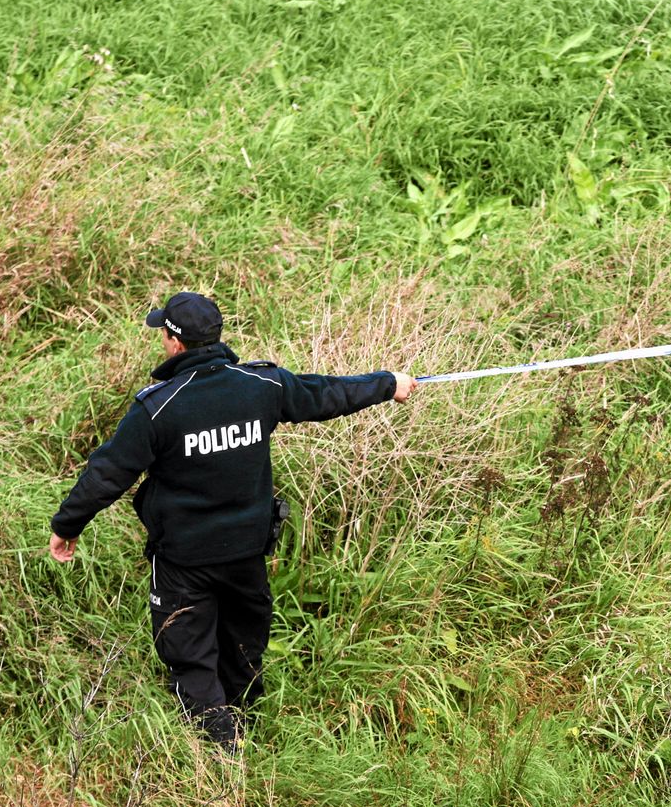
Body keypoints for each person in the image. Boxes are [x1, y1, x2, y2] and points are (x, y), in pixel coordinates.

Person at [48, 292, 417, 749]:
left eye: (163, 332)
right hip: (248, 550)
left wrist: (67, 527)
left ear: (174, 342)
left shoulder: (156, 408)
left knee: (190, 654)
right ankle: (245, 728)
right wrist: (389, 384)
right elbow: (326, 393)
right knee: (244, 645)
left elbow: (106, 475)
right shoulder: (261, 385)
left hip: (184, 559)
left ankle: (222, 756)